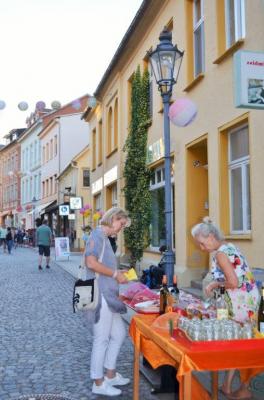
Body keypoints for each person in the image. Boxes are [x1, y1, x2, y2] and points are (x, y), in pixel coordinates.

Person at [191, 217, 259, 400]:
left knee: (239, 344)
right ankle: (228, 386)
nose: (201, 248)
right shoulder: (229, 246)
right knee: (240, 342)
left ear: (212, 236)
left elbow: (233, 282)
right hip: (247, 298)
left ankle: (243, 389)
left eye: (202, 243)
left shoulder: (220, 253)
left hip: (241, 302)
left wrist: (214, 284)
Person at [85, 207, 131, 397]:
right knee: (101, 339)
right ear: (114, 219)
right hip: (100, 296)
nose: (121, 228)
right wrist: (115, 274)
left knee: (119, 334)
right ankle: (98, 382)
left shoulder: (104, 238)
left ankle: (110, 375)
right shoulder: (97, 235)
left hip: (109, 296)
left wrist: (118, 275)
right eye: (121, 224)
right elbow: (91, 263)